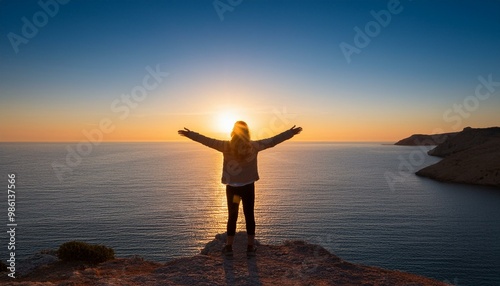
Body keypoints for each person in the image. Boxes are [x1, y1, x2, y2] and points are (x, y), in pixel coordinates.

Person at [178, 121, 302, 257]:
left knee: (232, 217)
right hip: (248, 187)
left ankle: (229, 248)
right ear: (247, 132)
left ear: (234, 131)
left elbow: (207, 141)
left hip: (233, 189)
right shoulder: (254, 146)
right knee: (249, 215)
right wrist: (290, 133)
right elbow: (273, 140)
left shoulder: (226, 146)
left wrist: (190, 134)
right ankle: (250, 248)